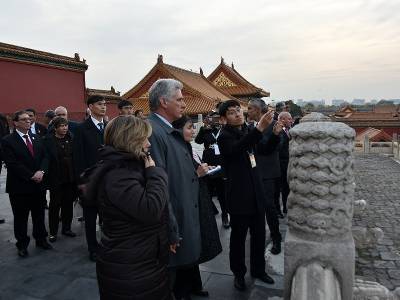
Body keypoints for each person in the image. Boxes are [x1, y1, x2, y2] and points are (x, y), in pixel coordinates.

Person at [82, 115, 171, 300]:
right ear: (129, 140)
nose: (148, 144)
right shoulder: (119, 175)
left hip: (141, 259)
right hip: (131, 268)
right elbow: (150, 209)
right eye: (144, 138)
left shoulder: (128, 166)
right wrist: (155, 173)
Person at [147, 79, 203, 300]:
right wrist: (171, 228)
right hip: (174, 217)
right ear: (163, 101)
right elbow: (159, 185)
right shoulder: (155, 132)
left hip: (183, 212)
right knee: (171, 283)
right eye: (179, 100)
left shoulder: (167, 129)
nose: (184, 104)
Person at [217, 100, 275, 291]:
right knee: (238, 238)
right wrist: (258, 129)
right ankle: (239, 273)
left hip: (256, 193)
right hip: (239, 195)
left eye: (238, 111)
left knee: (259, 236)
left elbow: (263, 150)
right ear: (224, 119)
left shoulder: (247, 131)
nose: (238, 114)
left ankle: (259, 270)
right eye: (232, 113)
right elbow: (237, 149)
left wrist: (273, 134)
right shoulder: (224, 136)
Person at [172, 115, 222, 299]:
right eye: (189, 128)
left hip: (198, 199)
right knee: (186, 247)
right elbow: (178, 179)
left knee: (195, 245)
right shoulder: (175, 149)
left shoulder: (188, 147)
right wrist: (198, 174)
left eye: (193, 127)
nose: (193, 131)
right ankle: (183, 290)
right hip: (186, 203)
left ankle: (195, 284)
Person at [1, 110, 52, 257]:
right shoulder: (7, 140)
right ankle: (22, 245)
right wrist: (31, 175)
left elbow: (45, 157)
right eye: (24, 119)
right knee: (21, 217)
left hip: (38, 185)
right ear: (15, 122)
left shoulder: (37, 138)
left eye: (29, 119)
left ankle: (41, 239)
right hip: (19, 186)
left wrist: (41, 171)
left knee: (39, 215)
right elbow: (12, 163)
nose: (28, 121)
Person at [73, 95, 107, 261]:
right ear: (91, 107)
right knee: (90, 217)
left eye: (105, 104)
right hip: (90, 181)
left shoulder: (108, 127)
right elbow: (77, 157)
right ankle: (92, 248)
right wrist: (81, 182)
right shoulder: (81, 129)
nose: (103, 107)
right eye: (100, 104)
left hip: (109, 180)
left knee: (108, 216)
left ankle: (108, 244)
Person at [247, 99, 283, 255]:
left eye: (250, 108)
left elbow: (272, 147)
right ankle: (258, 237)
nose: (247, 111)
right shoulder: (251, 126)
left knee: (269, 208)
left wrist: (274, 135)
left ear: (257, 109)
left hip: (268, 172)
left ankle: (276, 239)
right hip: (254, 171)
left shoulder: (273, 124)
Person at [42, 117, 77, 242]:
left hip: (70, 178)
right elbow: (46, 158)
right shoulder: (48, 140)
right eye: (62, 126)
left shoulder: (71, 138)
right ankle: (53, 232)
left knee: (68, 204)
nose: (65, 128)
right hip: (55, 178)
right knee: (54, 206)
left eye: (66, 125)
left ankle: (67, 228)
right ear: (55, 128)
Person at [195, 112, 229, 228]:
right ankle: (209, 215)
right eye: (212, 118)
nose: (215, 120)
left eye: (217, 118)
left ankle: (225, 215)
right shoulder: (206, 130)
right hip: (208, 163)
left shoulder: (224, 129)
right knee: (207, 192)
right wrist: (204, 128)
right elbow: (198, 141)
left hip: (221, 163)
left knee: (222, 193)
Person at [277, 111, 293, 215]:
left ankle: (287, 206)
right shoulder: (278, 132)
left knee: (288, 187)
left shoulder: (290, 130)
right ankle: (281, 208)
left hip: (289, 163)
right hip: (280, 164)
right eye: (289, 119)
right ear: (282, 119)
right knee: (281, 188)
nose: (291, 121)